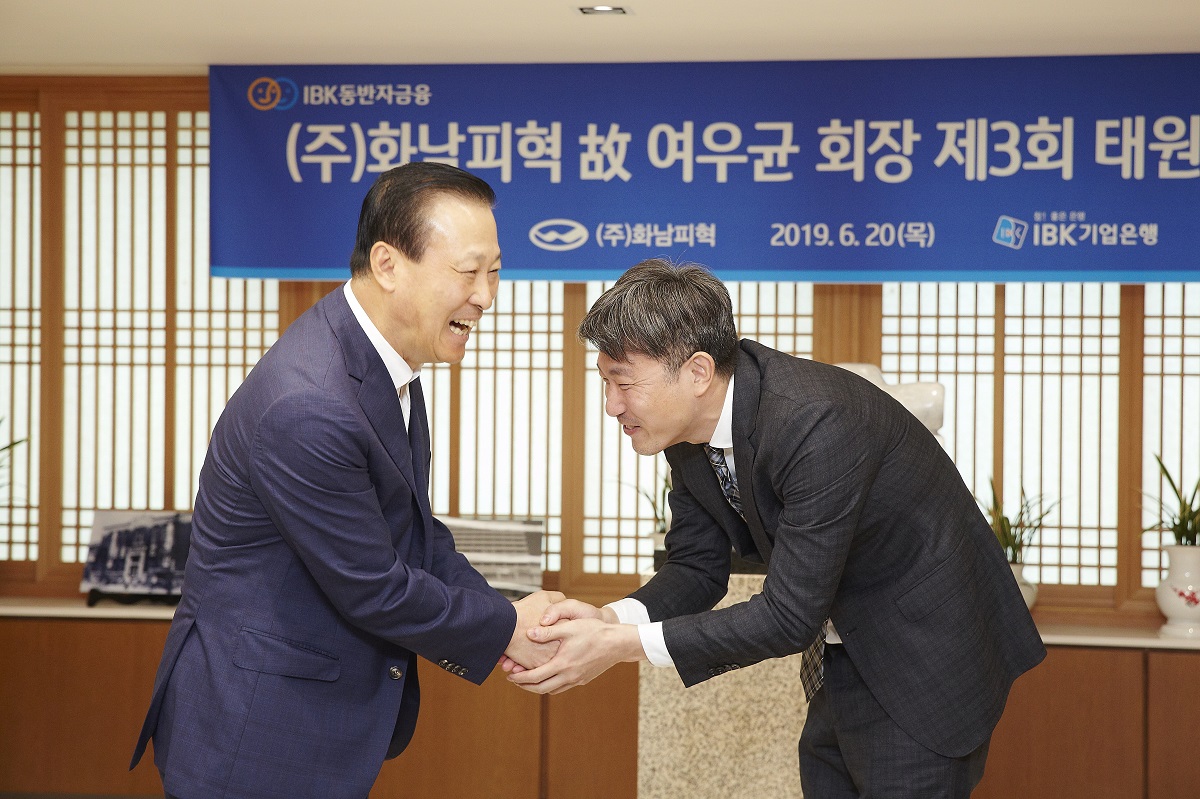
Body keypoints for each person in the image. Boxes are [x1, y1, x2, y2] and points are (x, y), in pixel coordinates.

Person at [507, 258, 1046, 797]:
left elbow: (788, 616)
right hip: (844, 652)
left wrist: (619, 644)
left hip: (926, 657)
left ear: (697, 372)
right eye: (605, 382)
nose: (611, 406)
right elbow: (696, 567)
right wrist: (609, 618)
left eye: (624, 384)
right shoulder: (688, 434)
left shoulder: (815, 421)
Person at [131, 162, 562, 799]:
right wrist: (507, 628)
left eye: (494, 271)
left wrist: (511, 614)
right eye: (469, 271)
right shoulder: (311, 403)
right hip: (256, 735)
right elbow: (374, 586)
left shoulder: (383, 366)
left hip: (302, 726)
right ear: (388, 264)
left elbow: (414, 533)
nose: (486, 296)